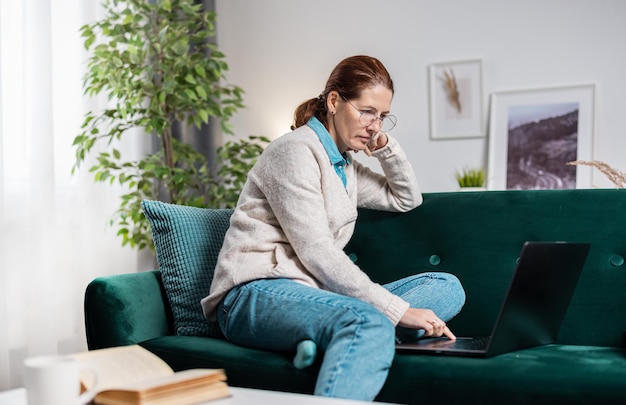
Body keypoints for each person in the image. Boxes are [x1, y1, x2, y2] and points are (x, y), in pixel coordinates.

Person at [201, 55, 466, 401]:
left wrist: (386, 149)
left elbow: (406, 198)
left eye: (383, 116)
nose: (374, 126)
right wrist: (397, 311)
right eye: (367, 111)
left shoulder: (345, 166)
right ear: (334, 101)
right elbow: (317, 252)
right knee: (368, 322)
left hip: (315, 296)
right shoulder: (294, 152)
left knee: (447, 288)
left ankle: (323, 339)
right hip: (254, 295)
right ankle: (345, 334)